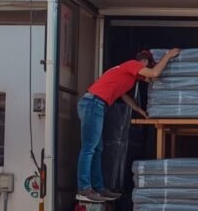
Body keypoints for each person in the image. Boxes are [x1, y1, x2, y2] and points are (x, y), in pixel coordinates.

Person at [76, 48, 180, 202]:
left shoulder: (127, 75)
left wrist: (139, 109)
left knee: (97, 149)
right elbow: (154, 74)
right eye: (149, 66)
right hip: (93, 103)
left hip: (97, 104)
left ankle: (99, 188)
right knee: (89, 148)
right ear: (144, 62)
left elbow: (123, 95)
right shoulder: (133, 64)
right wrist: (168, 55)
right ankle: (84, 189)